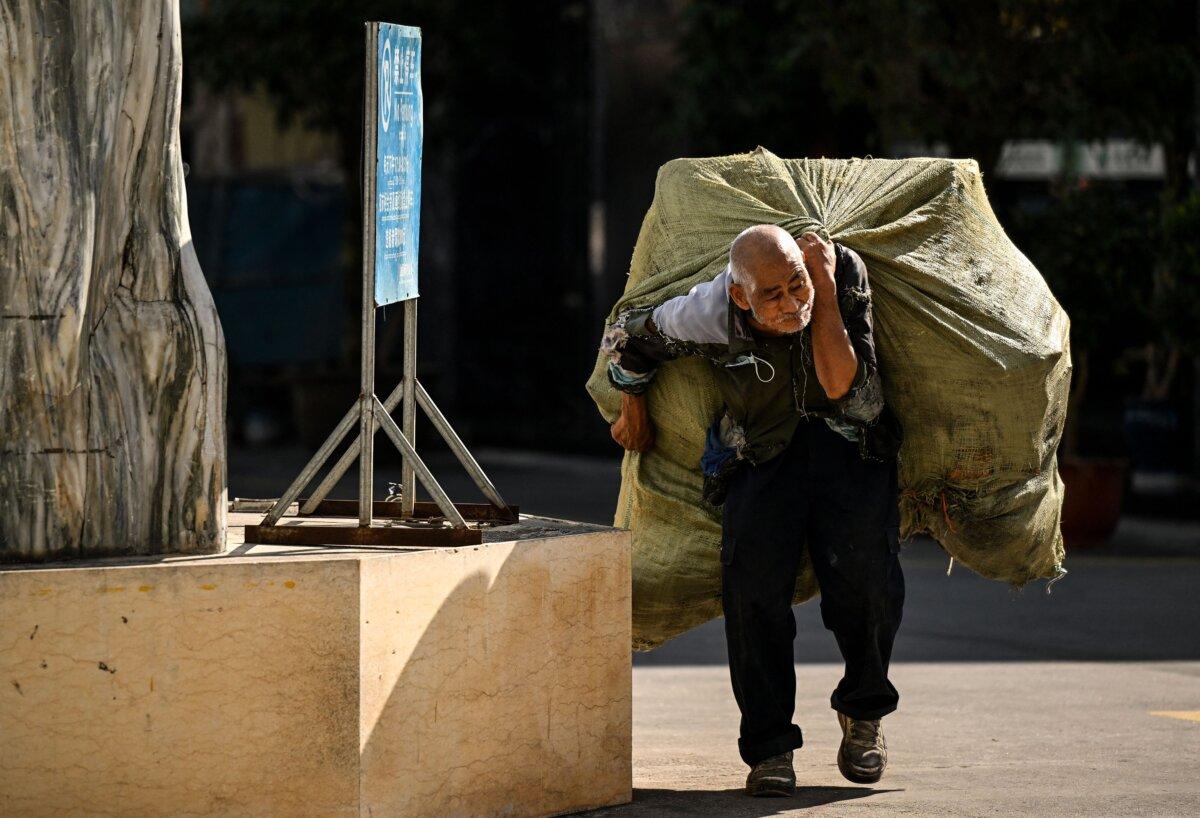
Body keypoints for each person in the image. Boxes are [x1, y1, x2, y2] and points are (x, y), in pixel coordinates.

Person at [602, 225, 905, 797]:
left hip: (852, 447)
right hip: (764, 458)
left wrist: (823, 288)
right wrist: (633, 405)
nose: (792, 304)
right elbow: (630, 338)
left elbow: (845, 387)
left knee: (868, 582)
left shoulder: (838, 276)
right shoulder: (707, 313)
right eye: (774, 296)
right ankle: (769, 749)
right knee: (753, 597)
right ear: (740, 297)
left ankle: (864, 714)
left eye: (796, 285)